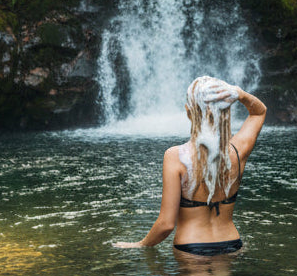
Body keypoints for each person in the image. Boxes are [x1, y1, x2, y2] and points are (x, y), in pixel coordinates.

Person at [113, 76, 266, 254]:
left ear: (188, 112)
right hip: (232, 244)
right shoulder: (238, 150)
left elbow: (166, 224)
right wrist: (239, 94)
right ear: (225, 112)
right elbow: (259, 112)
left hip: (191, 248)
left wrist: (140, 244)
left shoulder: (175, 156)